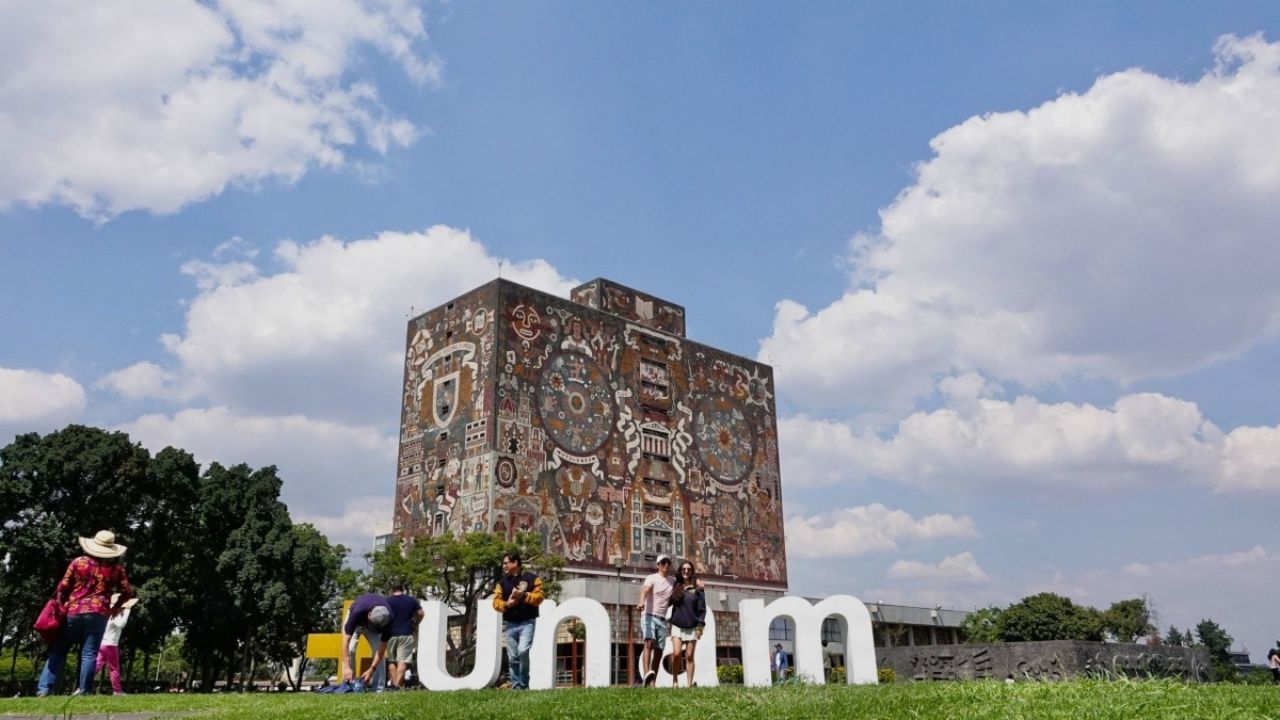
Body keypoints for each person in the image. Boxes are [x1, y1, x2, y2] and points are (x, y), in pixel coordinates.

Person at [37, 530, 135, 697]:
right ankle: (84, 691)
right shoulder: (117, 569)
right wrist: (115, 607)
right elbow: (127, 592)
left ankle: (44, 689)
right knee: (89, 653)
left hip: (73, 611)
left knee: (59, 650)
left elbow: (62, 586)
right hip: (99, 613)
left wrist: (60, 604)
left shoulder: (79, 562)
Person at [493, 552, 543, 690]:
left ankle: (524, 684)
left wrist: (524, 595)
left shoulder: (532, 578)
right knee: (512, 657)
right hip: (510, 624)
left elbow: (539, 597)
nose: (503, 566)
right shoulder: (502, 583)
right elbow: (495, 602)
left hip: (527, 622)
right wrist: (506, 605)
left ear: (515, 563)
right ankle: (516, 686)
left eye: (505, 563)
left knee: (522, 651)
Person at [637, 554, 675, 686]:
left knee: (659, 651)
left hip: (662, 619)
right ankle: (647, 675)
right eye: (663, 562)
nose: (666, 565)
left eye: (668, 563)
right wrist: (641, 602)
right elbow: (644, 590)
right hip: (648, 615)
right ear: (657, 565)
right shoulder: (651, 578)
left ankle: (652, 682)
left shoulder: (672, 581)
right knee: (648, 642)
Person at [341, 593, 392, 691]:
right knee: (350, 649)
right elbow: (345, 642)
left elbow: (380, 651)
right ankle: (349, 685)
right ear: (369, 614)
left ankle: (378, 689)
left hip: (375, 627)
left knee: (378, 652)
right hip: (356, 624)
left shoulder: (388, 620)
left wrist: (371, 670)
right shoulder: (357, 612)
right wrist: (347, 667)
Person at [668, 561, 705, 687]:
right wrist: (682, 590)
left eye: (689, 569)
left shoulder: (698, 587)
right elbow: (670, 601)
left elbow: (702, 608)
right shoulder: (676, 585)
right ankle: (675, 680)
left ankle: (689, 685)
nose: (686, 571)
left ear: (691, 571)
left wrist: (700, 626)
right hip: (677, 624)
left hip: (692, 625)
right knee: (677, 654)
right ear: (681, 570)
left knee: (689, 656)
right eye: (684, 569)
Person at [94, 593, 139, 695]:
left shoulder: (106, 613)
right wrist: (128, 610)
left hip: (102, 644)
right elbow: (122, 624)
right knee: (114, 669)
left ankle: (82, 686)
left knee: (96, 667)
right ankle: (117, 691)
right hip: (111, 645)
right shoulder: (114, 614)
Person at [384, 581, 424, 689]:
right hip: (406, 633)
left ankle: (394, 685)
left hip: (390, 634)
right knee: (403, 660)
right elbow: (421, 613)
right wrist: (416, 623)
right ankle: (397, 685)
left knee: (392, 661)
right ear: (403, 589)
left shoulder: (386, 602)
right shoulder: (411, 600)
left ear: (392, 590)